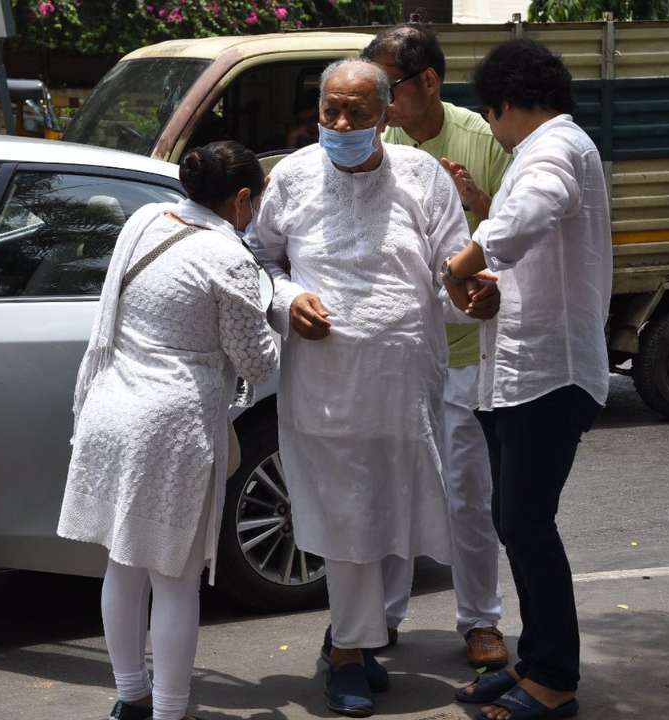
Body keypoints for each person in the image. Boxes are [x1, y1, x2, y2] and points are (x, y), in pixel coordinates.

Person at [247, 58, 476, 717]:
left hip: (404, 379)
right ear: (317, 111)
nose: (342, 124)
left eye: (358, 112)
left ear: (386, 114)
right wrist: (287, 301)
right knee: (345, 514)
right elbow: (260, 260)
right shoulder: (289, 178)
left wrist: (472, 294)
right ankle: (349, 651)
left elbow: (450, 265)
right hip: (323, 385)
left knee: (388, 511)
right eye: (331, 112)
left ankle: (359, 637)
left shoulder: (422, 177)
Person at [57, 141, 278, 720]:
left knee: (124, 567)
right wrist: (277, 311)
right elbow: (256, 363)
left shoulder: (144, 219)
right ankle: (169, 711)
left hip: (111, 410)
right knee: (175, 579)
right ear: (242, 198)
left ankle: (131, 696)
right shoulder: (225, 256)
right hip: (171, 427)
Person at [440, 39, 611, 720]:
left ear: (505, 105)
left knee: (526, 523)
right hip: (521, 369)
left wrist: (460, 267)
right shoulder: (547, 148)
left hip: (549, 375)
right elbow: (530, 258)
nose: (496, 132)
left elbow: (527, 216)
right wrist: (491, 291)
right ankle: (534, 661)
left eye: (493, 117)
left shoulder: (552, 151)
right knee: (517, 522)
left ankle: (555, 679)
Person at [361, 21, 513, 671]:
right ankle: (381, 618)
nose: (377, 102)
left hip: (471, 347)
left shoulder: (485, 142)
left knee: (466, 494)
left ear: (428, 82)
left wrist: (478, 204)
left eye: (385, 88)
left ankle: (480, 620)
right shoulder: (377, 144)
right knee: (392, 487)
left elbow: (527, 242)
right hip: (399, 349)